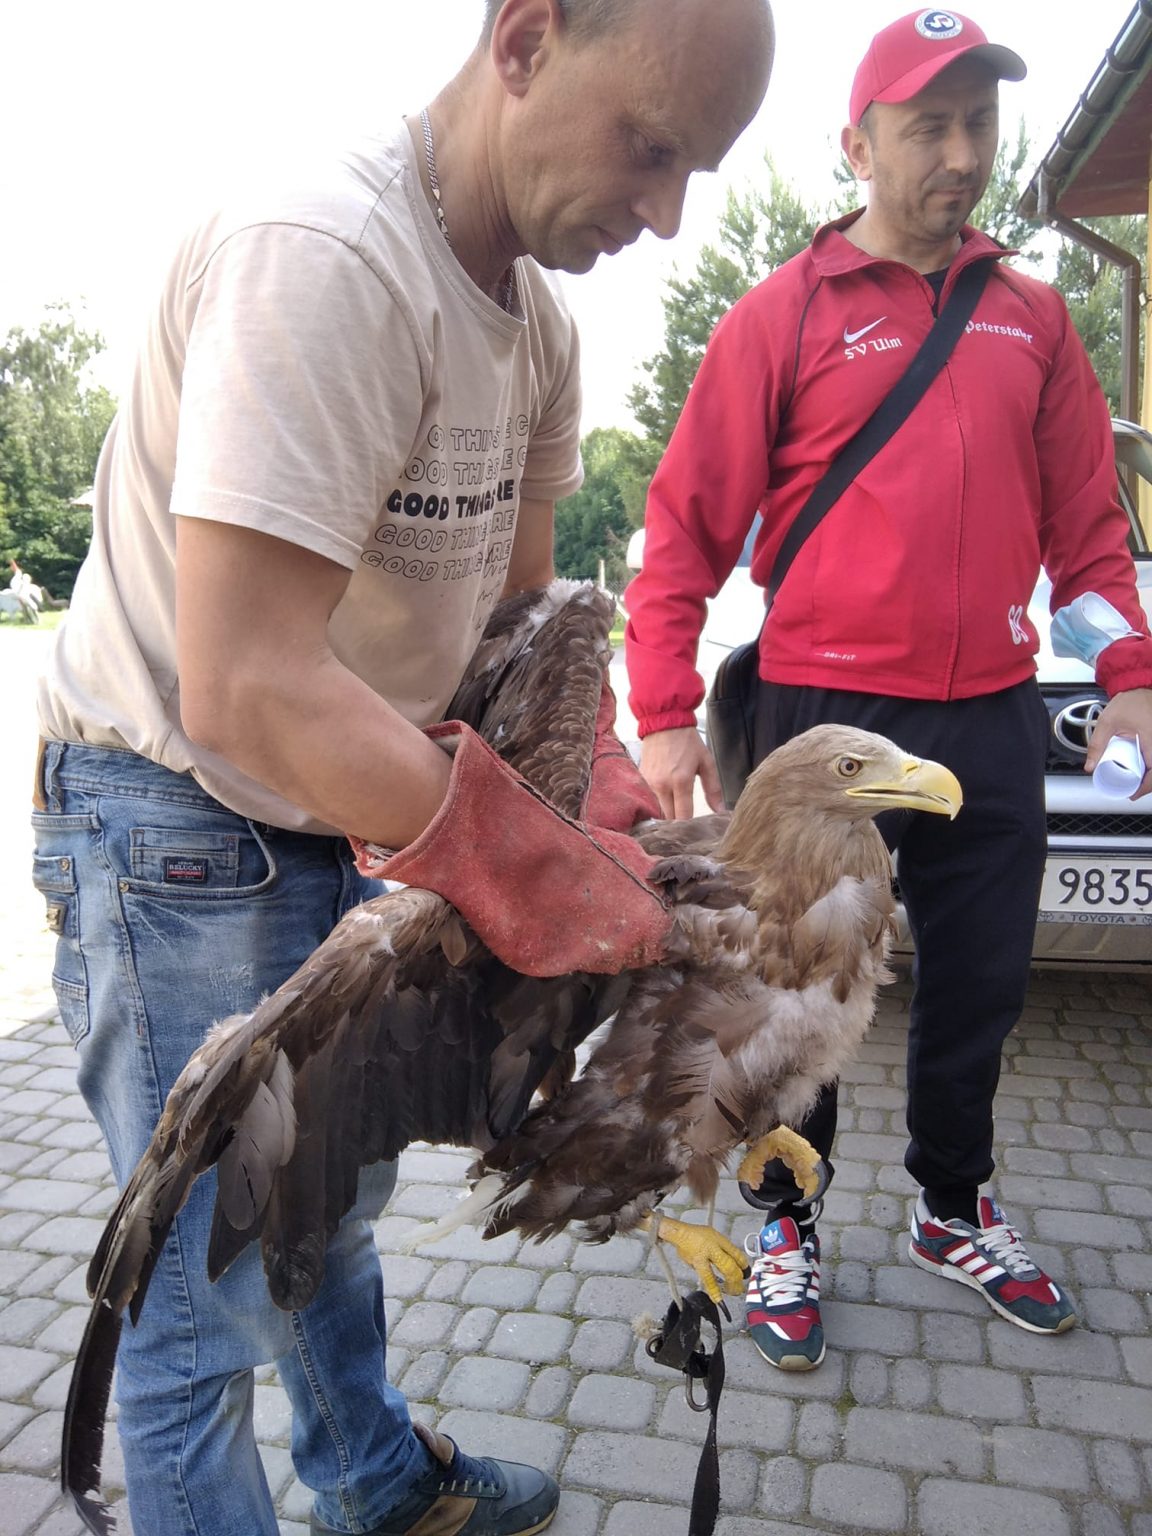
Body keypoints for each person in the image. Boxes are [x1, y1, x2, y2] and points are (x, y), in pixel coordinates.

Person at [31, 2, 774, 1532]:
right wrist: (521, 864)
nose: (665, 213)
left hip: (346, 815)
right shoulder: (330, 258)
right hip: (179, 813)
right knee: (196, 1307)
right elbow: (242, 683)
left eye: (694, 171)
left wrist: (598, 800)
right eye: (650, 148)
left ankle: (375, 1484)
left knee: (324, 1198)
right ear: (524, 41)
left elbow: (509, 620)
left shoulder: (540, 332)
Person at [624, 7, 1152, 1374]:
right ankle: (788, 1222)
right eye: (931, 125)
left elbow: (1091, 531)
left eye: (980, 123)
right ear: (856, 144)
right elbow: (680, 527)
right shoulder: (780, 318)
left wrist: (1130, 678)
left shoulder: (1034, 322)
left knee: (978, 984)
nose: (963, 153)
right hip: (821, 731)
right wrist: (666, 704)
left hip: (988, 718)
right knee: (800, 1010)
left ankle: (953, 1205)